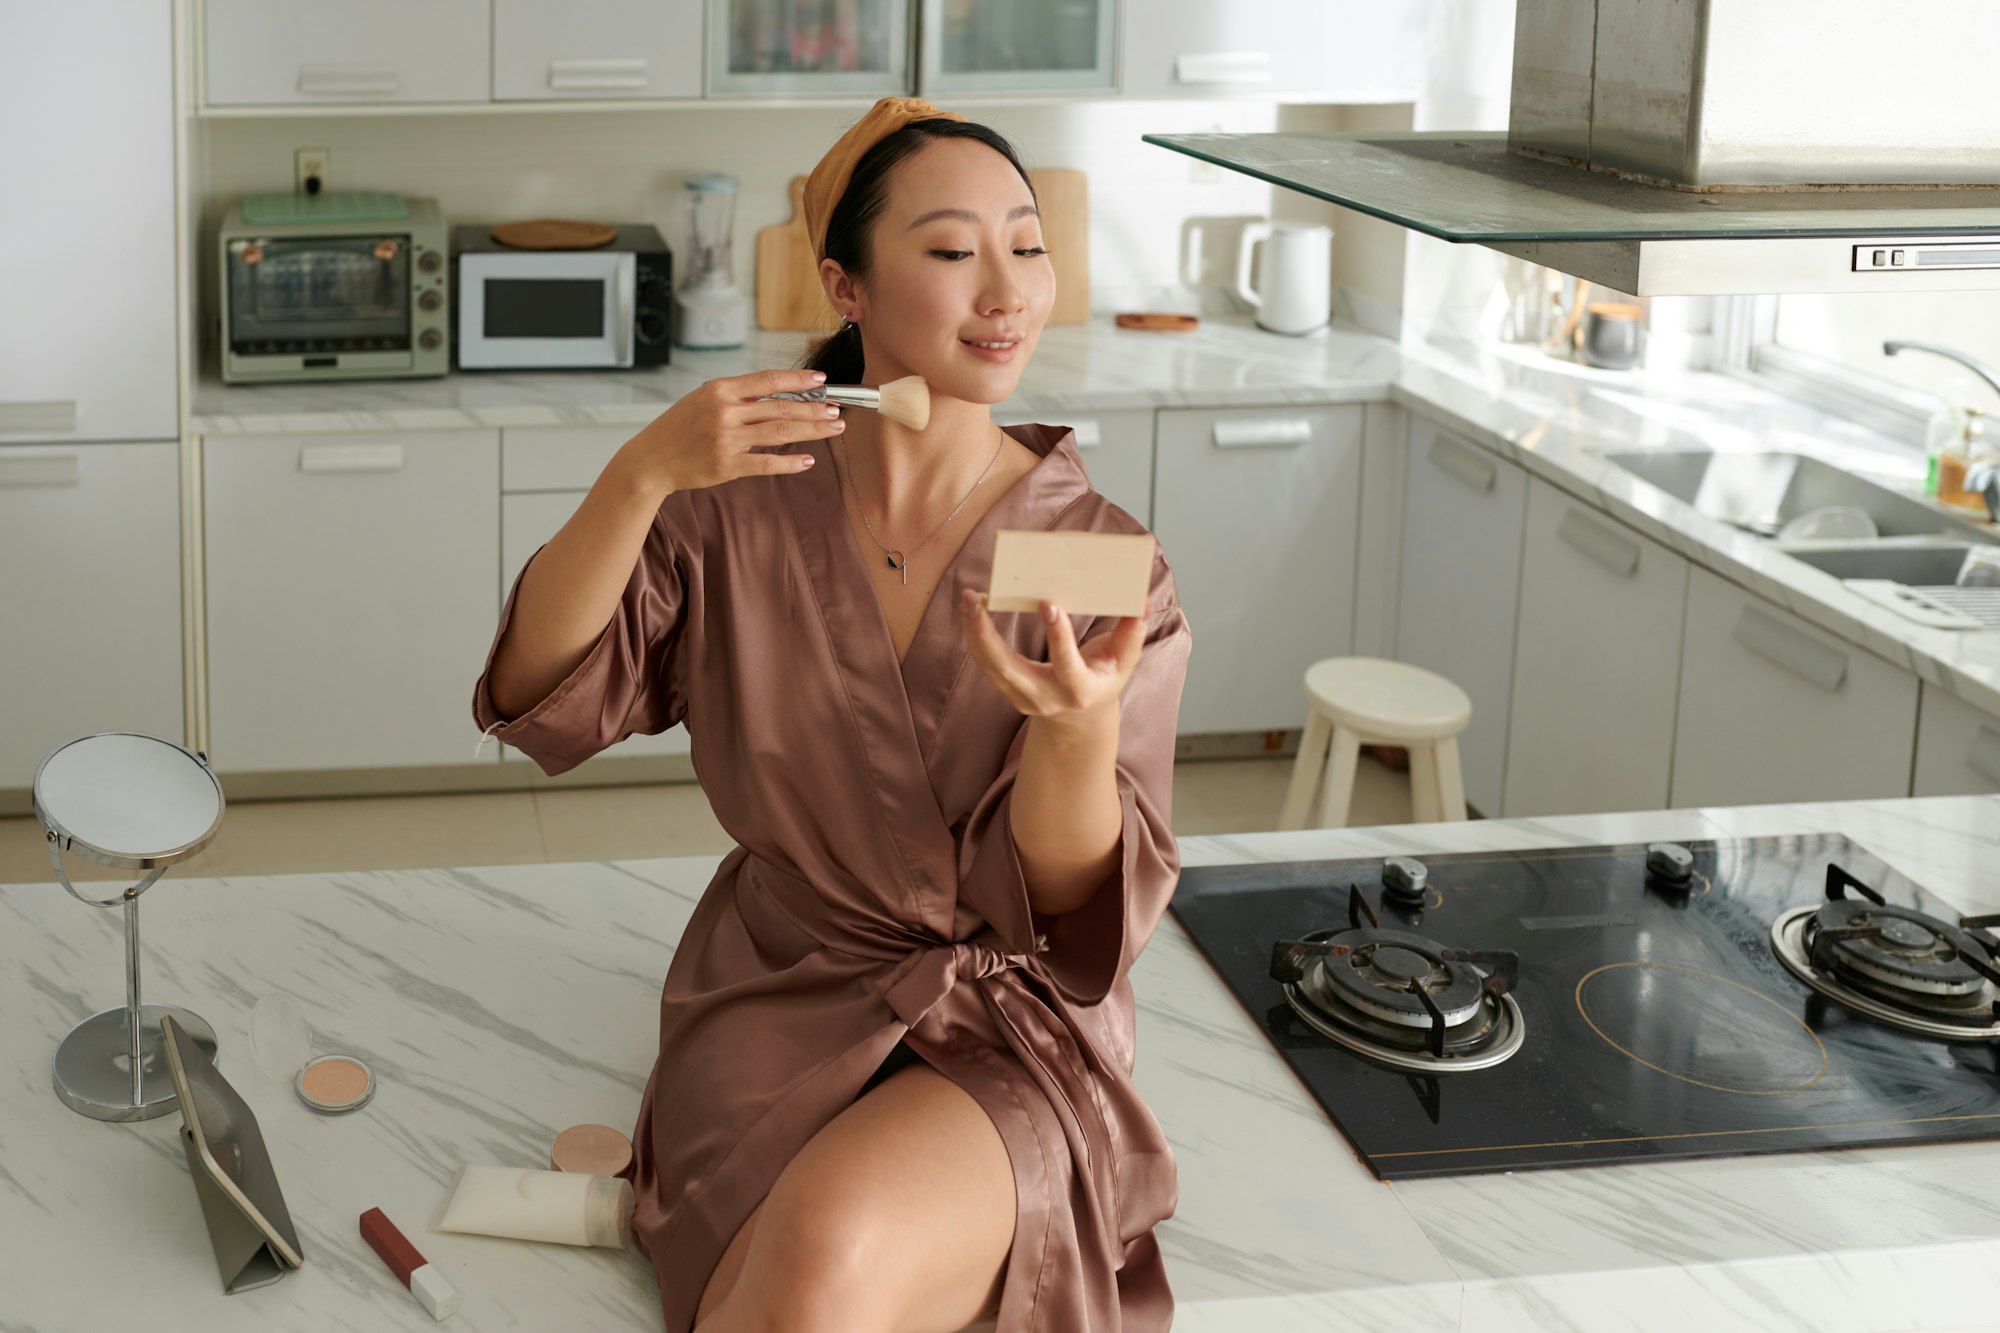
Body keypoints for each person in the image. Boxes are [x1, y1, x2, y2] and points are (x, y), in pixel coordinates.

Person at [471, 95, 1191, 1333]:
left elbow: (1079, 906)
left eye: (1027, 244)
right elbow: (546, 695)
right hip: (773, 988)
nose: (1006, 291)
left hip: (1001, 1018)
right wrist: (638, 473)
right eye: (954, 251)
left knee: (818, 1259)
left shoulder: (1086, 552)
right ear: (844, 287)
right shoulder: (737, 502)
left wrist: (1075, 731)